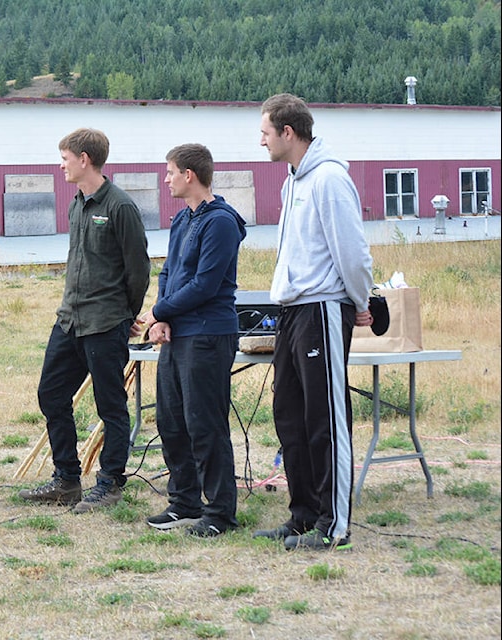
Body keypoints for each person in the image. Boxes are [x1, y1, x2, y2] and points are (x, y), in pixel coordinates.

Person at [254, 93, 374, 550]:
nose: (260, 141)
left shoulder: (328, 179)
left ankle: (334, 525)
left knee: (325, 416)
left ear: (288, 132)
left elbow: (352, 252)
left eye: (265, 132)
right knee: (290, 415)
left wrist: (359, 300)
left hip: (322, 307)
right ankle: (303, 514)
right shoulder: (292, 183)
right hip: (291, 311)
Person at [19, 128, 150, 513]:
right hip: (69, 321)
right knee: (51, 394)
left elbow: (138, 270)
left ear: (84, 159)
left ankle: (110, 483)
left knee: (110, 405)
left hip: (105, 323)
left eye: (64, 158)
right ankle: (67, 480)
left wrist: (124, 315)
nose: (61, 165)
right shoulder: (77, 204)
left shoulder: (121, 207)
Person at [137, 144, 246, 537]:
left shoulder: (220, 222)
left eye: (170, 172)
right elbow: (169, 274)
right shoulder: (183, 220)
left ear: (190, 175)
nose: (165, 180)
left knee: (205, 424)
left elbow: (204, 284)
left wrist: (159, 313)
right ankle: (184, 502)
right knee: (172, 421)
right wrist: (161, 318)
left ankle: (219, 513)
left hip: (207, 333)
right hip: (179, 332)